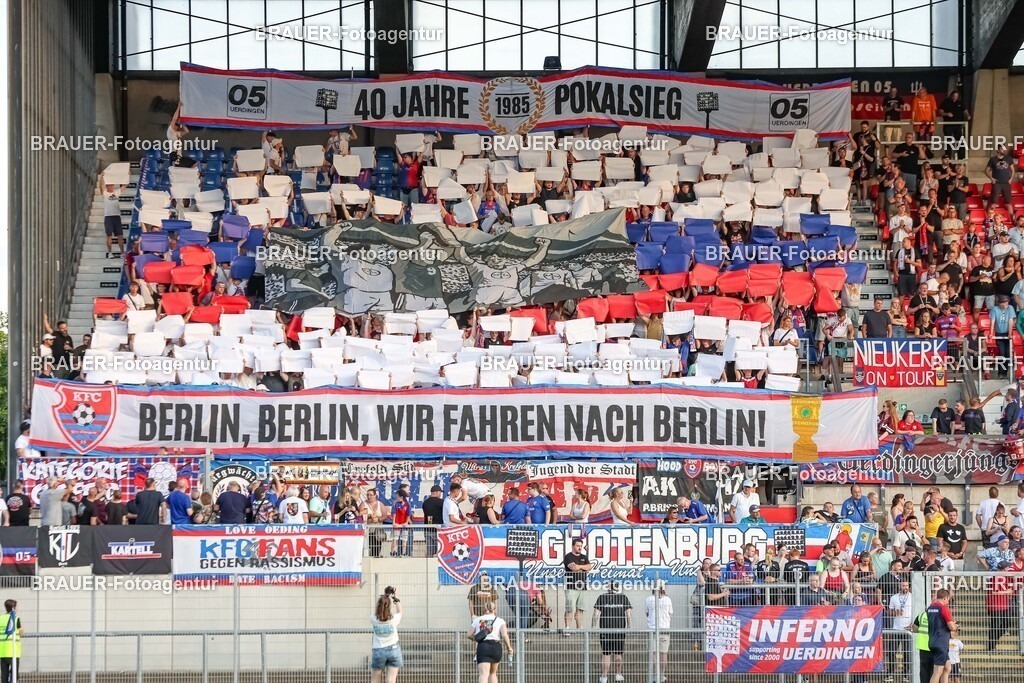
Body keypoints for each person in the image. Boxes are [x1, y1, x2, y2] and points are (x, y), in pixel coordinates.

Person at [591, 582, 631, 683]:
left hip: (605, 630)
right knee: (618, 654)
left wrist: (593, 626)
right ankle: (618, 674)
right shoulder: (623, 597)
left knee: (606, 654)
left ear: (608, 588)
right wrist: (630, 626)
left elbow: (596, 613)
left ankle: (604, 677)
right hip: (619, 630)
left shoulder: (602, 597)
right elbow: (629, 614)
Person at [468, 601, 512, 683]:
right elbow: (504, 635)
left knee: (483, 674)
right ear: (494, 610)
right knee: (493, 673)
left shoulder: (477, 620)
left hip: (483, 646)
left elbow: (469, 635)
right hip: (496, 647)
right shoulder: (500, 620)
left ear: (484, 609)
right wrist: (509, 647)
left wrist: (477, 638)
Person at [371, 587, 403, 683]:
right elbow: (400, 612)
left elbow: (377, 612)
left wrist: (384, 597)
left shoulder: (373, 619)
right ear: (389, 606)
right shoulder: (394, 619)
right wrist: (395, 598)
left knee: (375, 680)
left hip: (378, 650)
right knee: (391, 680)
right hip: (393, 650)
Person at [926, 589, 958, 683]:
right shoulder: (944, 608)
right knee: (937, 671)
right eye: (948, 599)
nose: (948, 601)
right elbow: (951, 627)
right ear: (945, 598)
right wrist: (955, 626)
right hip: (941, 642)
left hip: (933, 640)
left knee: (947, 667)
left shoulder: (930, 608)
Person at [645, 580, 672, 683]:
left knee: (653, 653)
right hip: (665, 628)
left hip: (652, 629)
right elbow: (670, 613)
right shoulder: (668, 599)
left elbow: (647, 613)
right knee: (663, 653)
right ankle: (662, 674)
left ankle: (655, 674)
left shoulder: (648, 599)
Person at [562, 537, 592, 631]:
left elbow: (589, 567)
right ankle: (567, 629)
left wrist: (579, 567)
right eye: (578, 546)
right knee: (570, 609)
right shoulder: (568, 557)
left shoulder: (584, 557)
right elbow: (573, 568)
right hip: (571, 586)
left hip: (583, 586)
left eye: (581, 546)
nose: (580, 548)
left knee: (580, 609)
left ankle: (580, 629)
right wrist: (583, 568)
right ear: (573, 546)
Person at [886, 580, 913, 680]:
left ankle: (905, 674)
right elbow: (889, 611)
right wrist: (895, 612)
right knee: (892, 651)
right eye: (903, 585)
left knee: (907, 652)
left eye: (906, 585)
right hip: (896, 628)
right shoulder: (894, 597)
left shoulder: (912, 597)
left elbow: (916, 610)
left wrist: (912, 624)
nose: (905, 587)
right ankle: (890, 674)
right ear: (899, 586)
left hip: (908, 629)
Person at [0, 599, 21, 683]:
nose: (18, 608)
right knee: (14, 674)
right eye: (16, 606)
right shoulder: (15, 618)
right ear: (13, 608)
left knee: (4, 674)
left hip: (2, 650)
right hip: (13, 650)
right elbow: (21, 631)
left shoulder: (0, 618)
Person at [422, 485, 444, 557]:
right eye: (440, 492)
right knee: (440, 550)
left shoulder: (425, 502)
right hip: (438, 530)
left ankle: (428, 565)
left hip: (428, 529)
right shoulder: (441, 502)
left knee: (429, 550)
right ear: (437, 492)